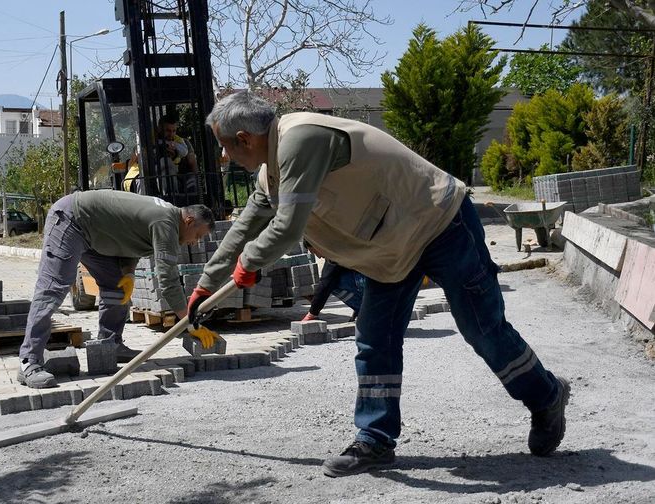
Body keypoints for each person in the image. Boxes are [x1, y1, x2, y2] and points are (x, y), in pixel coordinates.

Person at [186, 91, 570, 477]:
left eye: (223, 147)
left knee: (482, 328)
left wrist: (250, 265)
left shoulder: (301, 139)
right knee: (375, 335)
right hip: (391, 250)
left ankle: (546, 396)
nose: (224, 157)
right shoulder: (270, 172)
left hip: (438, 222)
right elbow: (244, 227)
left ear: (244, 139)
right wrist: (205, 286)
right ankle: (374, 439)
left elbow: (287, 228)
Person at [18, 190, 215, 389]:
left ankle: (110, 345)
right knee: (53, 289)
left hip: (93, 234)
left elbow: (131, 240)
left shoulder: (166, 218)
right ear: (189, 221)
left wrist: (128, 273)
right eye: (197, 235)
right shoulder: (166, 223)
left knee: (116, 285)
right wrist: (191, 323)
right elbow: (169, 282)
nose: (195, 242)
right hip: (72, 220)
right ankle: (29, 361)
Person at [302, 259, 364, 323]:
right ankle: (364, 307)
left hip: (370, 278)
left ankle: (365, 309)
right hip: (371, 272)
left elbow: (326, 282)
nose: (319, 256)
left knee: (335, 282)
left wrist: (312, 313)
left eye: (314, 251)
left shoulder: (334, 254)